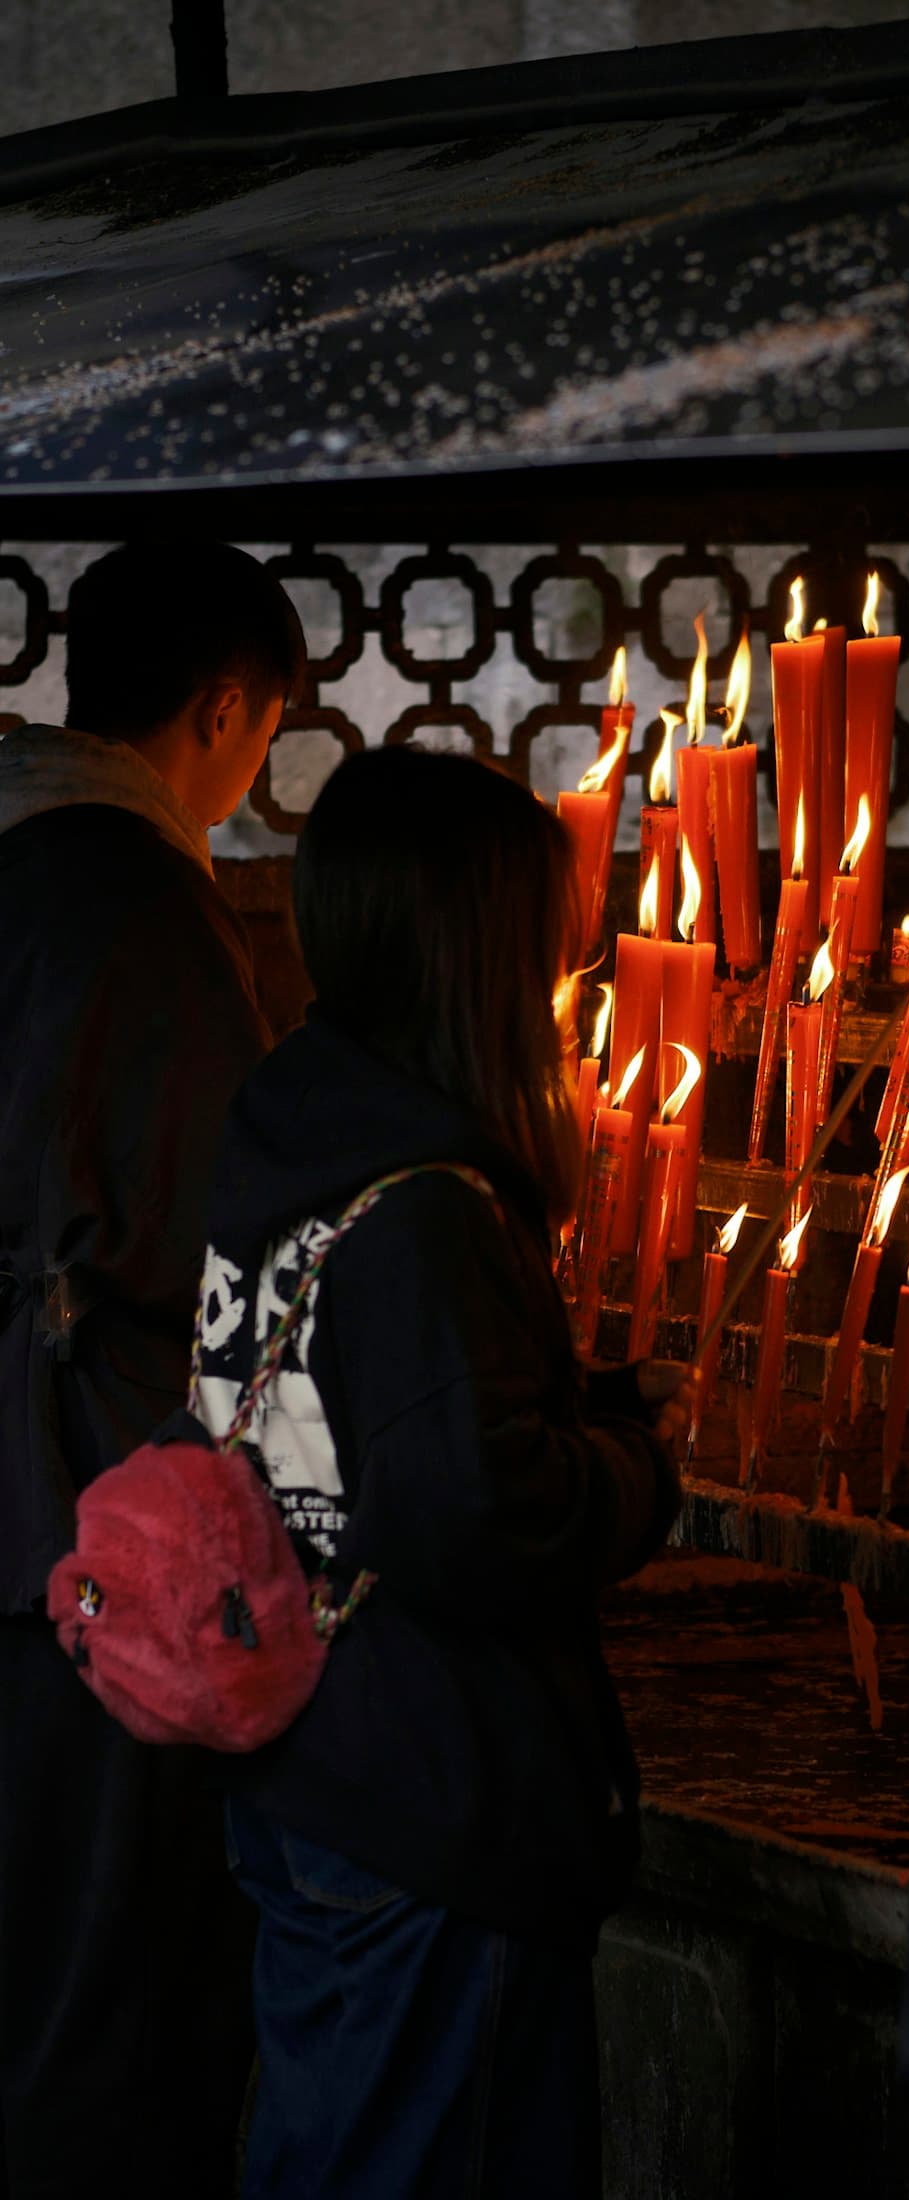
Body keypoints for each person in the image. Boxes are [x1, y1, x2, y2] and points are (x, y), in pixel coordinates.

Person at [190, 744, 687, 2198]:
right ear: (482, 950)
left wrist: (565, 1396)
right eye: (547, 932)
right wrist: (639, 1466)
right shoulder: (430, 1204)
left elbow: (346, 1412)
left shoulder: (296, 1127)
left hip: (310, 1755)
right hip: (426, 1794)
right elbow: (467, 1515)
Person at [0, 543, 303, 2197]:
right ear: (224, 709)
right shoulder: (130, 900)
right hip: (67, 1498)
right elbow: (220, 1240)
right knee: (93, 1962)